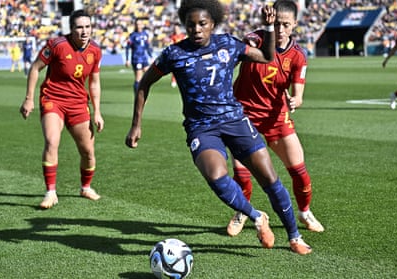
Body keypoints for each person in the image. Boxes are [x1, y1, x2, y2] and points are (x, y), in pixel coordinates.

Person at [125, 0, 312, 255]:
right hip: (201, 128)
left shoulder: (228, 44)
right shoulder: (174, 54)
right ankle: (256, 217)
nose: (197, 30)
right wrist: (136, 125)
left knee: (270, 179)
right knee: (216, 176)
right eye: (191, 25)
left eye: (203, 24)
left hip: (235, 120)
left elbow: (267, 56)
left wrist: (268, 28)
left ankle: (294, 236)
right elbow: (144, 83)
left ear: (213, 24)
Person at [226, 0, 324, 237]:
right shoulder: (256, 40)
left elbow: (298, 90)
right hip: (244, 116)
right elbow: (242, 46)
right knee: (241, 173)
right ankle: (242, 212)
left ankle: (305, 211)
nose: (280, 30)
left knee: (299, 171)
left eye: (285, 25)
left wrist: (296, 100)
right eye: (276, 24)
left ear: (294, 25)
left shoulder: (298, 56)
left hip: (276, 118)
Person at [19, 9, 104, 209]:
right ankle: (50, 193)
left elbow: (94, 83)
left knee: (88, 152)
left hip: (78, 104)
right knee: (52, 141)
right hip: (53, 99)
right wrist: (29, 99)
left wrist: (97, 111)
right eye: (79, 27)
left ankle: (85, 188)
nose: (84, 32)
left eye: (88, 27)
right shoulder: (56, 45)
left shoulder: (96, 51)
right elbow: (34, 68)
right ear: (71, 29)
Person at [125, 18, 152, 93]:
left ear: (143, 25)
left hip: (144, 58)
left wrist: (151, 56)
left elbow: (147, 47)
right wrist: (127, 60)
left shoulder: (145, 34)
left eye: (140, 24)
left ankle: (143, 94)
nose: (138, 26)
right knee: (138, 78)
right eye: (137, 24)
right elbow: (127, 48)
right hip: (136, 59)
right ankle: (137, 97)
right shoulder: (133, 35)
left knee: (148, 77)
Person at [169, 23, 186, 88]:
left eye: (177, 28)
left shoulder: (183, 36)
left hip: (182, 54)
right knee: (175, 68)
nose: (176, 29)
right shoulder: (173, 36)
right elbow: (171, 44)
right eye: (175, 28)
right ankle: (173, 81)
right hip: (176, 55)